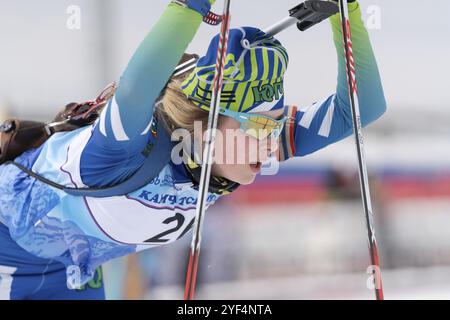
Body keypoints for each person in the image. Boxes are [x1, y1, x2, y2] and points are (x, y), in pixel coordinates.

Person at [0, 0, 386, 300]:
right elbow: (136, 87)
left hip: (73, 271)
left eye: (273, 123)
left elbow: (362, 107)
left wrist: (345, 15)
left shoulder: (229, 153)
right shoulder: (128, 147)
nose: (271, 142)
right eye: (258, 126)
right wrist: (193, 6)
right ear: (207, 127)